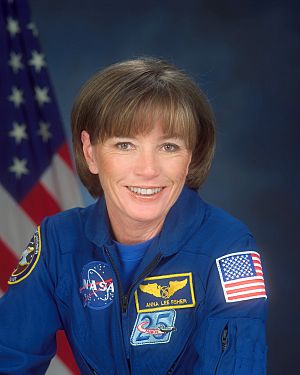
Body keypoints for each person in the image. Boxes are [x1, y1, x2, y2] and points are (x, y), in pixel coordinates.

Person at [0, 58, 268, 374]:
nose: (148, 170)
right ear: (90, 153)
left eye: (169, 147)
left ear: (190, 157)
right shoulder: (58, 242)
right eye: (125, 144)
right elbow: (11, 358)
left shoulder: (229, 248)